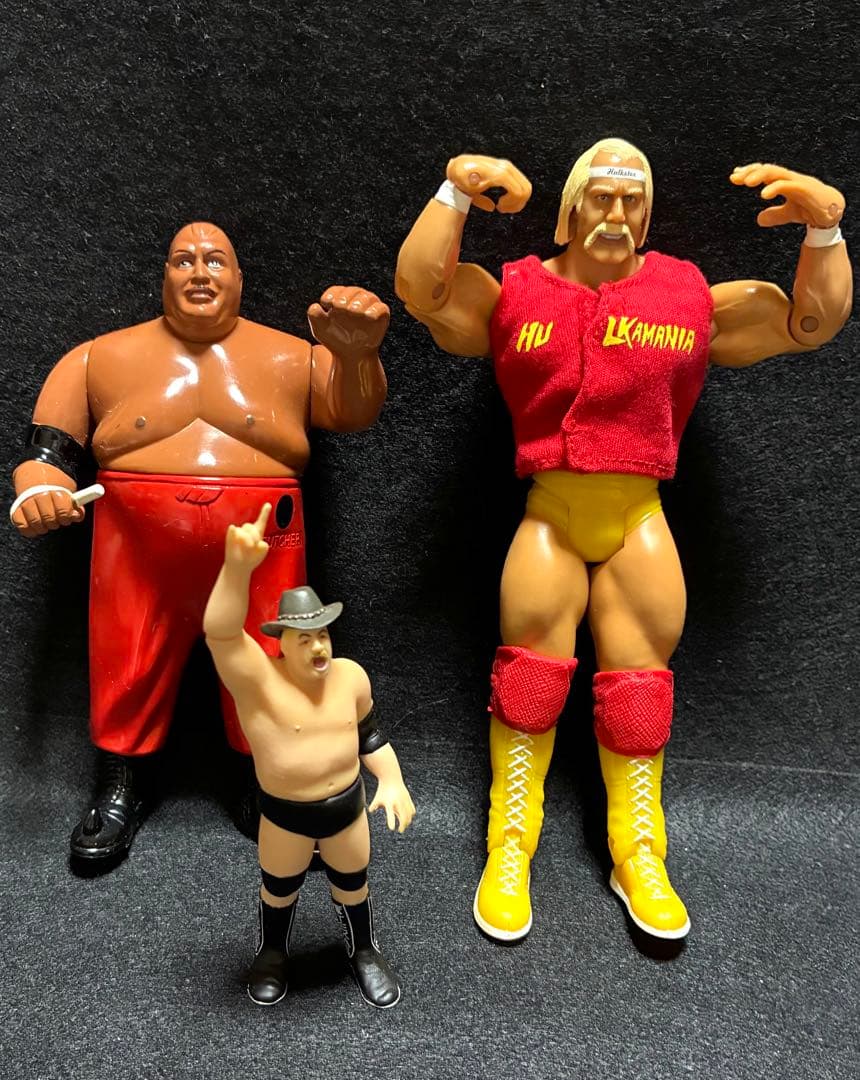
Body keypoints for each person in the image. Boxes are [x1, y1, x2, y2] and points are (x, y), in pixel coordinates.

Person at [395, 140, 851, 942]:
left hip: (639, 514)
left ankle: (638, 852)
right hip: (550, 510)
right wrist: (453, 193)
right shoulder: (517, 292)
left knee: (640, 692)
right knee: (528, 681)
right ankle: (509, 846)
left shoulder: (687, 295)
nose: (615, 213)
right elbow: (423, 292)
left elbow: (806, 322)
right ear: (571, 207)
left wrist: (826, 232)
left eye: (631, 200)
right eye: (601, 197)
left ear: (647, 215)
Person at [11, 222, 390, 863]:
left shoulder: (293, 358)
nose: (199, 272)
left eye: (215, 261)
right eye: (183, 260)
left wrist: (356, 357)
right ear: (163, 275)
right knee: (125, 660)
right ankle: (118, 788)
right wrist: (39, 488)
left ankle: (264, 778)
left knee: (272, 659)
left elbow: (353, 413)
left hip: (266, 541)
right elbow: (48, 451)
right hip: (136, 549)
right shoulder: (99, 358)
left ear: (239, 279)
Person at [204, 503, 415, 1008]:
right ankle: (272, 953)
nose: (319, 647)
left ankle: (364, 951)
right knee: (279, 888)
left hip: (346, 810)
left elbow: (370, 737)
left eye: (323, 635)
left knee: (353, 885)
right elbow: (222, 634)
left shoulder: (351, 677)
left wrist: (392, 780)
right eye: (305, 638)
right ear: (282, 644)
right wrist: (236, 570)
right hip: (285, 816)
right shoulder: (260, 683)